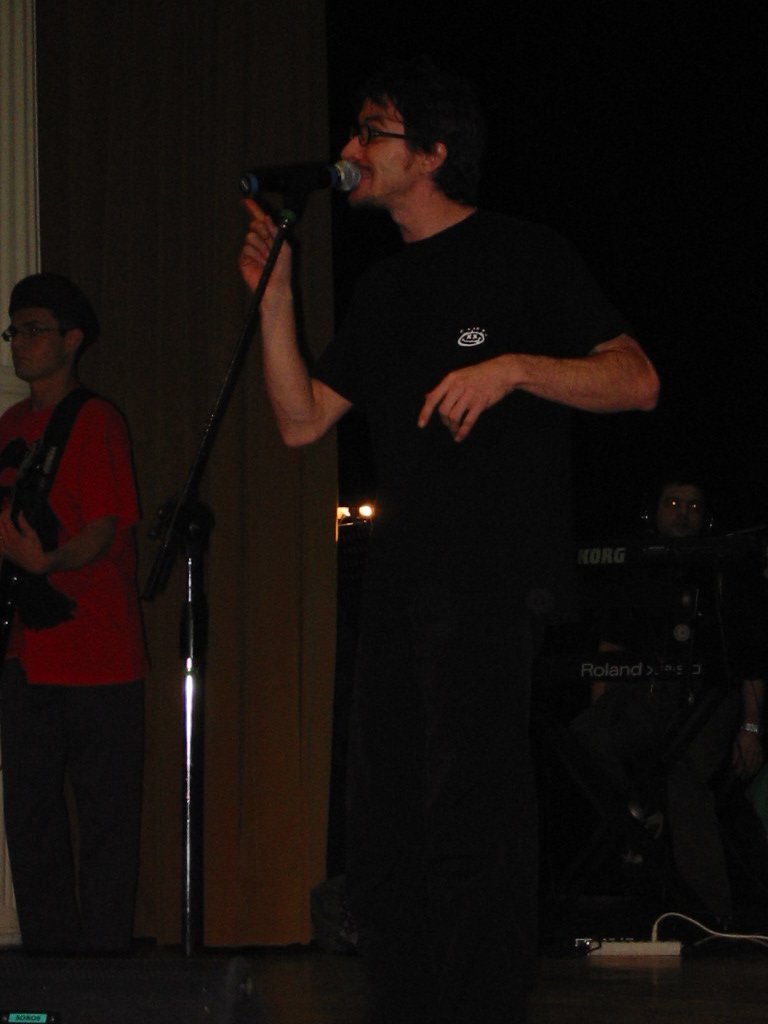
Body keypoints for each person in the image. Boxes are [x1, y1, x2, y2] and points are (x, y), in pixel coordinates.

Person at [239, 59, 659, 1024]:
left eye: (371, 130)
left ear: (431, 153)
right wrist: (274, 297)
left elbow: (636, 380)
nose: (350, 149)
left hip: (493, 579)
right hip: (399, 584)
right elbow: (301, 420)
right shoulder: (385, 290)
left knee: (472, 812)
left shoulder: (523, 254)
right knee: (384, 819)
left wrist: (511, 369)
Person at [0, 273, 147, 954]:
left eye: (33, 329)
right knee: (29, 819)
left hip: (98, 655)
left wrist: (48, 562)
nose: (18, 342)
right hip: (25, 655)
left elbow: (105, 528)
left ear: (72, 339)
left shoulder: (97, 420)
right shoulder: (9, 427)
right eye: (14, 330)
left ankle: (106, 972)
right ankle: (49, 964)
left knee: (106, 824)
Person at [571, 474, 765, 925]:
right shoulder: (634, 570)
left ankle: (710, 919)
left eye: (693, 506)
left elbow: (751, 658)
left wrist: (751, 727)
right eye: (673, 503)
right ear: (654, 512)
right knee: (582, 739)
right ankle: (637, 817)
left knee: (686, 778)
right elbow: (609, 650)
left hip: (708, 698)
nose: (683, 514)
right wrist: (602, 713)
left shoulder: (725, 570)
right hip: (643, 695)